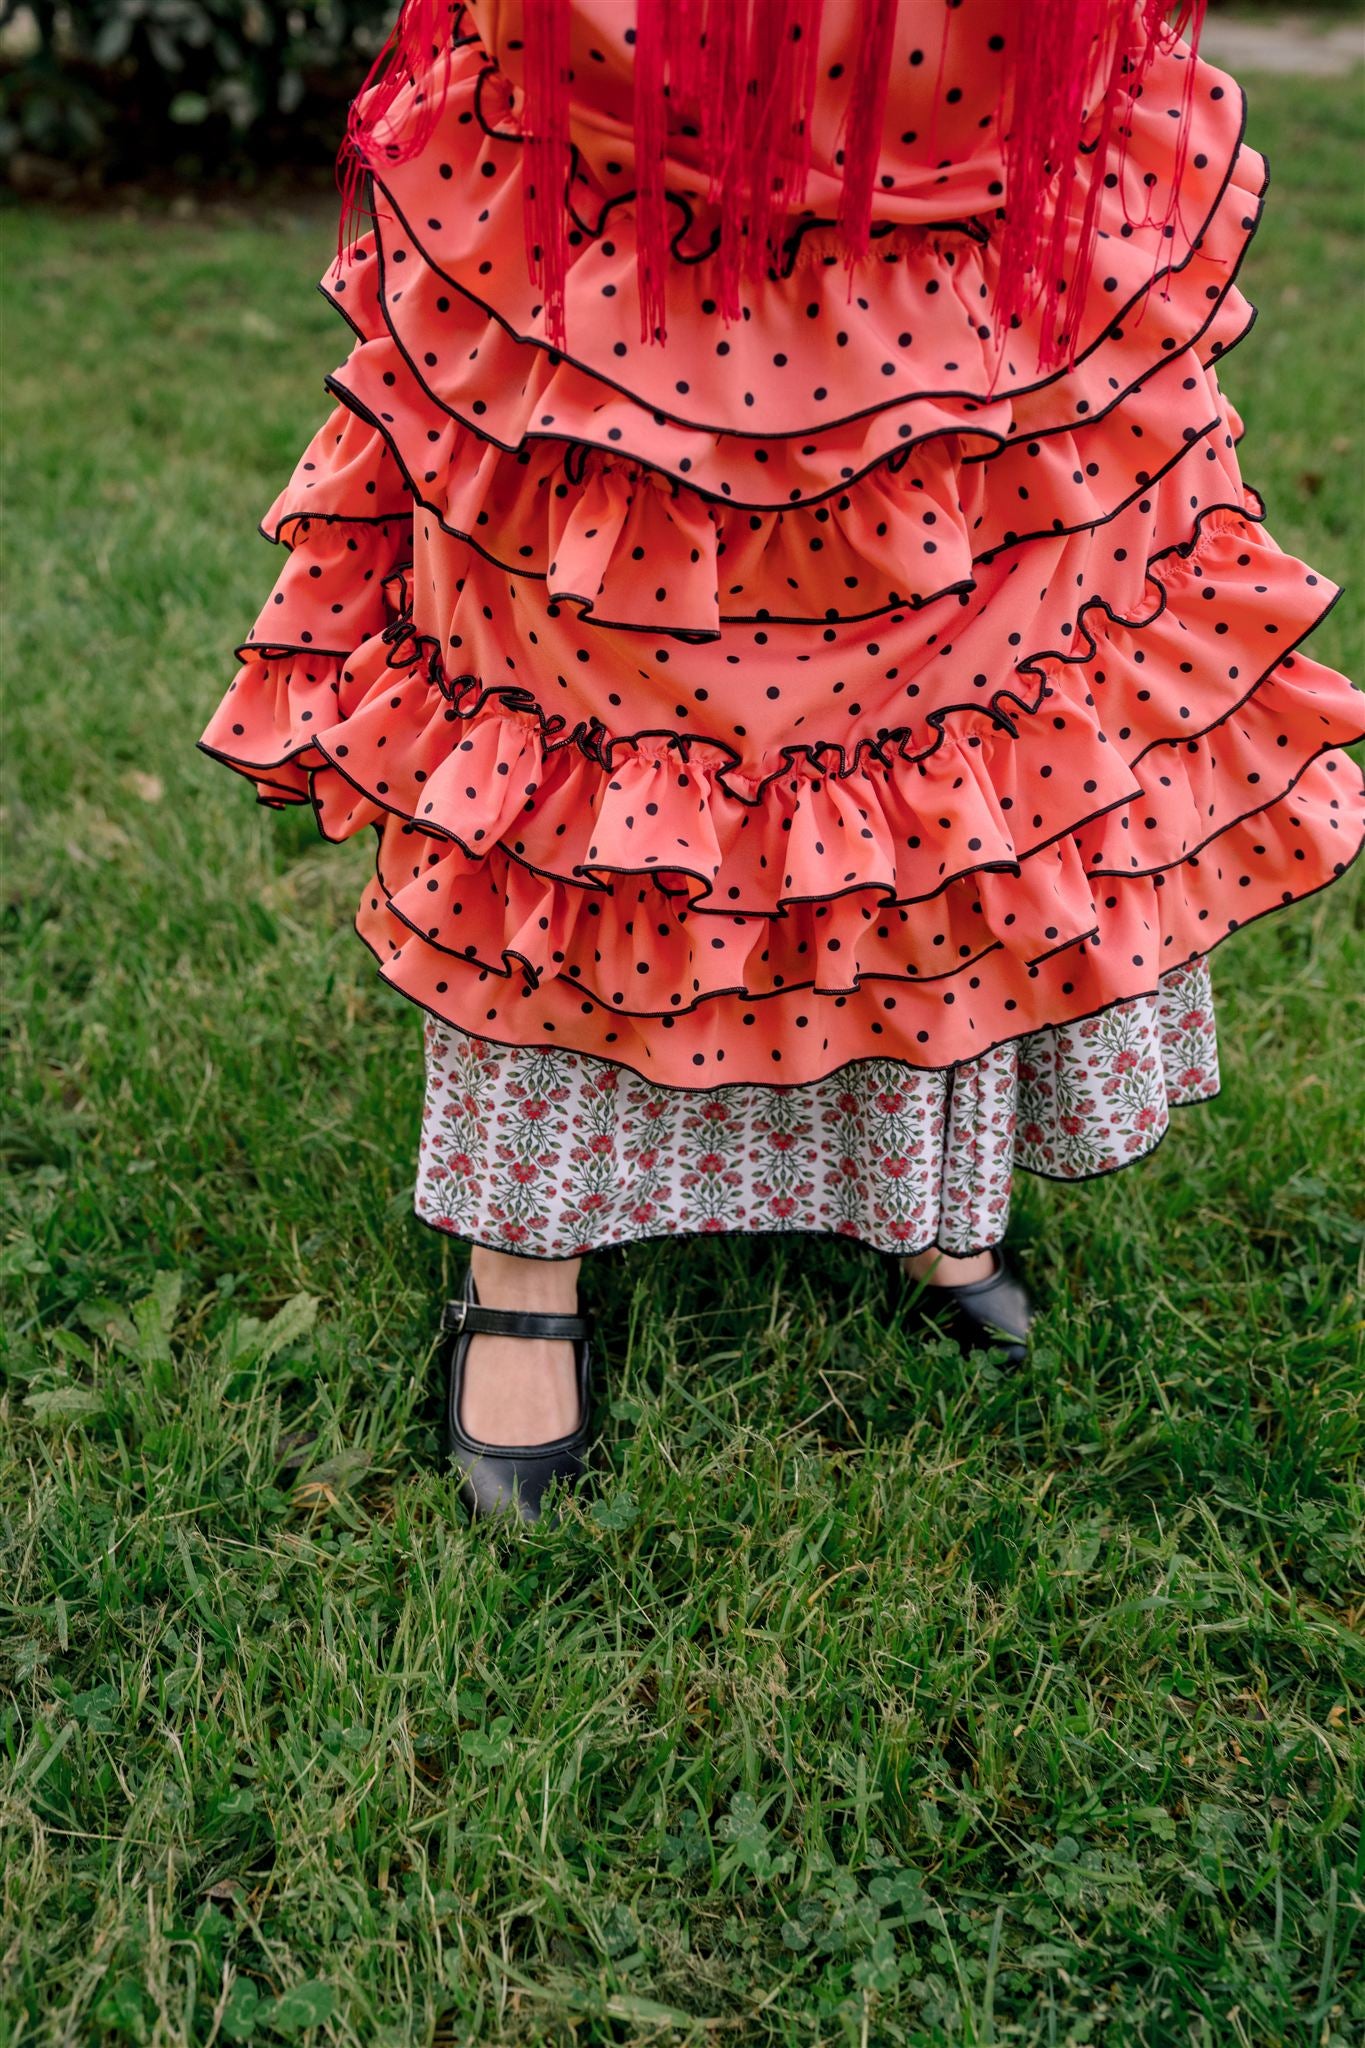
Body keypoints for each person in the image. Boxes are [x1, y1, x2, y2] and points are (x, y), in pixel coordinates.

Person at [201, 0, 1364, 1521]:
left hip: (965, 138)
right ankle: (522, 1265)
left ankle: (925, 1183)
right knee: (587, 728)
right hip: (633, 178)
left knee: (967, 704)